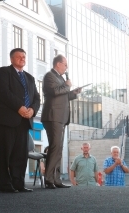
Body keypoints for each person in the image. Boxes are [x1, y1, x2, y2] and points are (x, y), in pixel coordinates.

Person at [0, 48, 40, 193]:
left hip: (25, 121)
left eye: (24, 57)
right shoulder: (3, 72)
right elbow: (3, 92)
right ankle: (5, 184)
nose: (22, 59)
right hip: (7, 120)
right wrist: (19, 107)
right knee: (5, 153)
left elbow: (36, 98)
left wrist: (32, 110)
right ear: (11, 59)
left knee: (20, 154)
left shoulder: (30, 78)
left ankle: (18, 182)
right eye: (19, 57)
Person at [41, 54, 81, 189]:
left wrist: (73, 93)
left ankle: (56, 179)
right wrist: (66, 85)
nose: (66, 67)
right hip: (52, 116)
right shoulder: (49, 76)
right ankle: (49, 179)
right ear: (58, 64)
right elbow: (54, 92)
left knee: (59, 148)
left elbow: (63, 95)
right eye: (65, 64)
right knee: (54, 147)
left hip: (61, 117)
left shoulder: (60, 78)